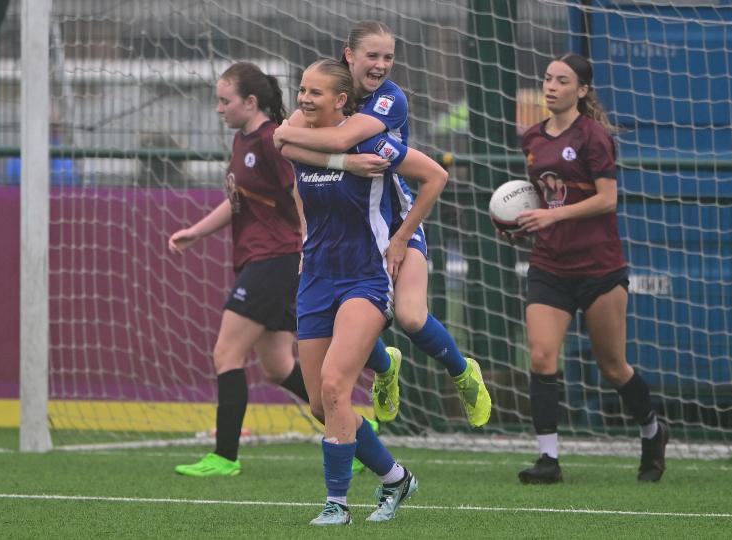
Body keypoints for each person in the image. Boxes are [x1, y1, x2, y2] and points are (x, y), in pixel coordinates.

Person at [274, 20, 491, 428]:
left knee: (411, 317)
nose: (381, 65)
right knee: (342, 314)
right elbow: (283, 143)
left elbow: (333, 139)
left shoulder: (390, 99)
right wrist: (340, 166)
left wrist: (402, 238)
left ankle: (463, 373)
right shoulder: (325, 89)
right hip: (348, 228)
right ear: (349, 54)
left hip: (395, 222)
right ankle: (386, 367)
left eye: (388, 57)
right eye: (372, 55)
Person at [283, 59, 447, 525]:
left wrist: (403, 239)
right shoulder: (301, 140)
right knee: (322, 405)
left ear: (341, 101)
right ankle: (396, 478)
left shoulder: (374, 143)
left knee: (336, 384)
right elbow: (292, 171)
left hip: (365, 278)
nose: (304, 99)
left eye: (315, 93)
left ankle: (337, 503)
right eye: (301, 90)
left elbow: (435, 176)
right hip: (316, 278)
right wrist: (307, 231)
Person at [508, 53, 669, 484]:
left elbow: (607, 199)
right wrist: (521, 223)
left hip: (599, 268)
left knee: (614, 367)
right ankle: (548, 459)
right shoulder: (532, 138)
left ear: (581, 90)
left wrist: (552, 217)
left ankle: (653, 432)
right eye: (548, 79)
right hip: (549, 265)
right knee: (542, 356)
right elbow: (543, 199)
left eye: (562, 81)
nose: (551, 86)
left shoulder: (594, 136)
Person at [168, 62, 310, 477]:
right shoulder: (241, 140)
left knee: (226, 353)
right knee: (278, 366)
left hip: (275, 259)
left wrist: (308, 241)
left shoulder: (272, 140)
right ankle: (355, 429)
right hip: (262, 258)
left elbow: (299, 190)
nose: (219, 108)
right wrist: (196, 232)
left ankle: (224, 457)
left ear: (250, 102)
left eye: (224, 101)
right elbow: (237, 202)